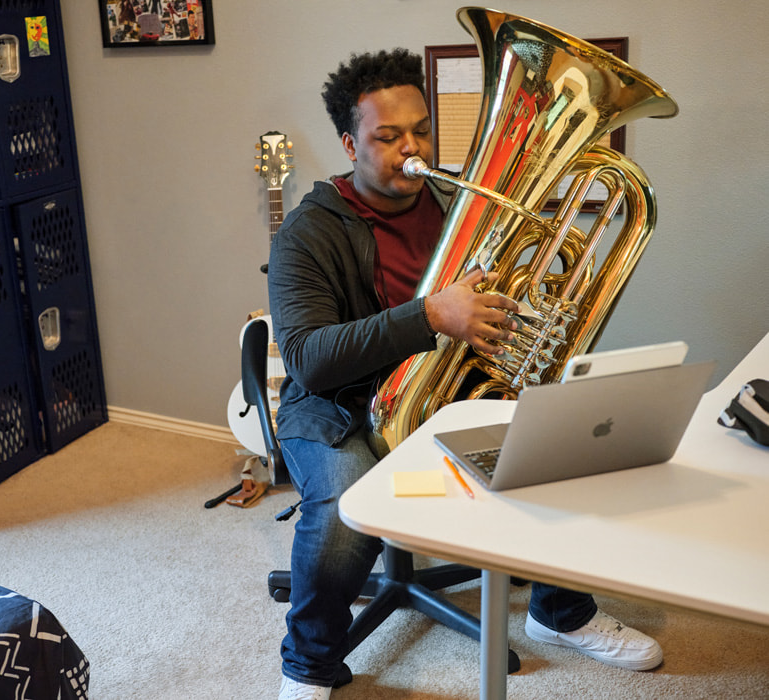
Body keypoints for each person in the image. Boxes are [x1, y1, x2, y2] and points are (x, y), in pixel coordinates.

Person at [267, 48, 663, 700]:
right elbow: (309, 358)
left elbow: (505, 298)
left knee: (551, 448)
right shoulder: (309, 232)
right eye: (387, 137)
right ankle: (308, 664)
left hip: (451, 391)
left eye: (421, 129)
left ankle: (560, 613)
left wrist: (528, 325)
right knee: (342, 506)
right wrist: (428, 315)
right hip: (338, 408)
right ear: (349, 143)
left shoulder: (458, 201)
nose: (411, 148)